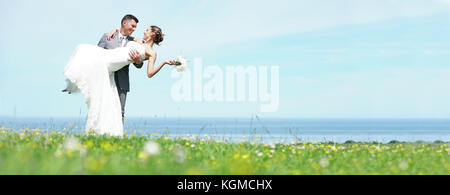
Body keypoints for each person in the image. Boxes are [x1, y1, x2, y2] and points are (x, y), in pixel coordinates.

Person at [62, 25, 177, 136]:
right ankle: (74, 82)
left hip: (116, 62)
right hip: (113, 55)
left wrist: (163, 63)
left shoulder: (152, 53)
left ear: (152, 34)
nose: (143, 31)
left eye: (147, 30)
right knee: (87, 53)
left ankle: (113, 133)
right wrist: (115, 30)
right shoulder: (138, 40)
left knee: (93, 60)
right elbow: (123, 34)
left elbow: (150, 73)